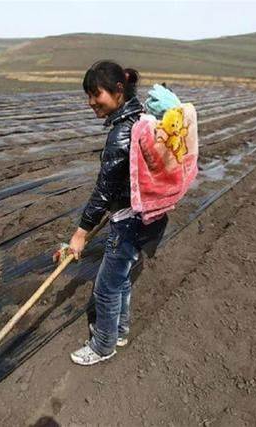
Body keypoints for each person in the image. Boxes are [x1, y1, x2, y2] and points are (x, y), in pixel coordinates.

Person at [64, 60, 168, 366]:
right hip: (147, 215)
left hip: (129, 221)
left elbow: (104, 191)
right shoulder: (143, 117)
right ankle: (119, 331)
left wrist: (80, 233)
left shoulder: (122, 134)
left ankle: (103, 345)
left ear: (118, 90)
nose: (91, 102)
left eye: (96, 94)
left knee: (106, 286)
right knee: (121, 277)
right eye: (88, 95)